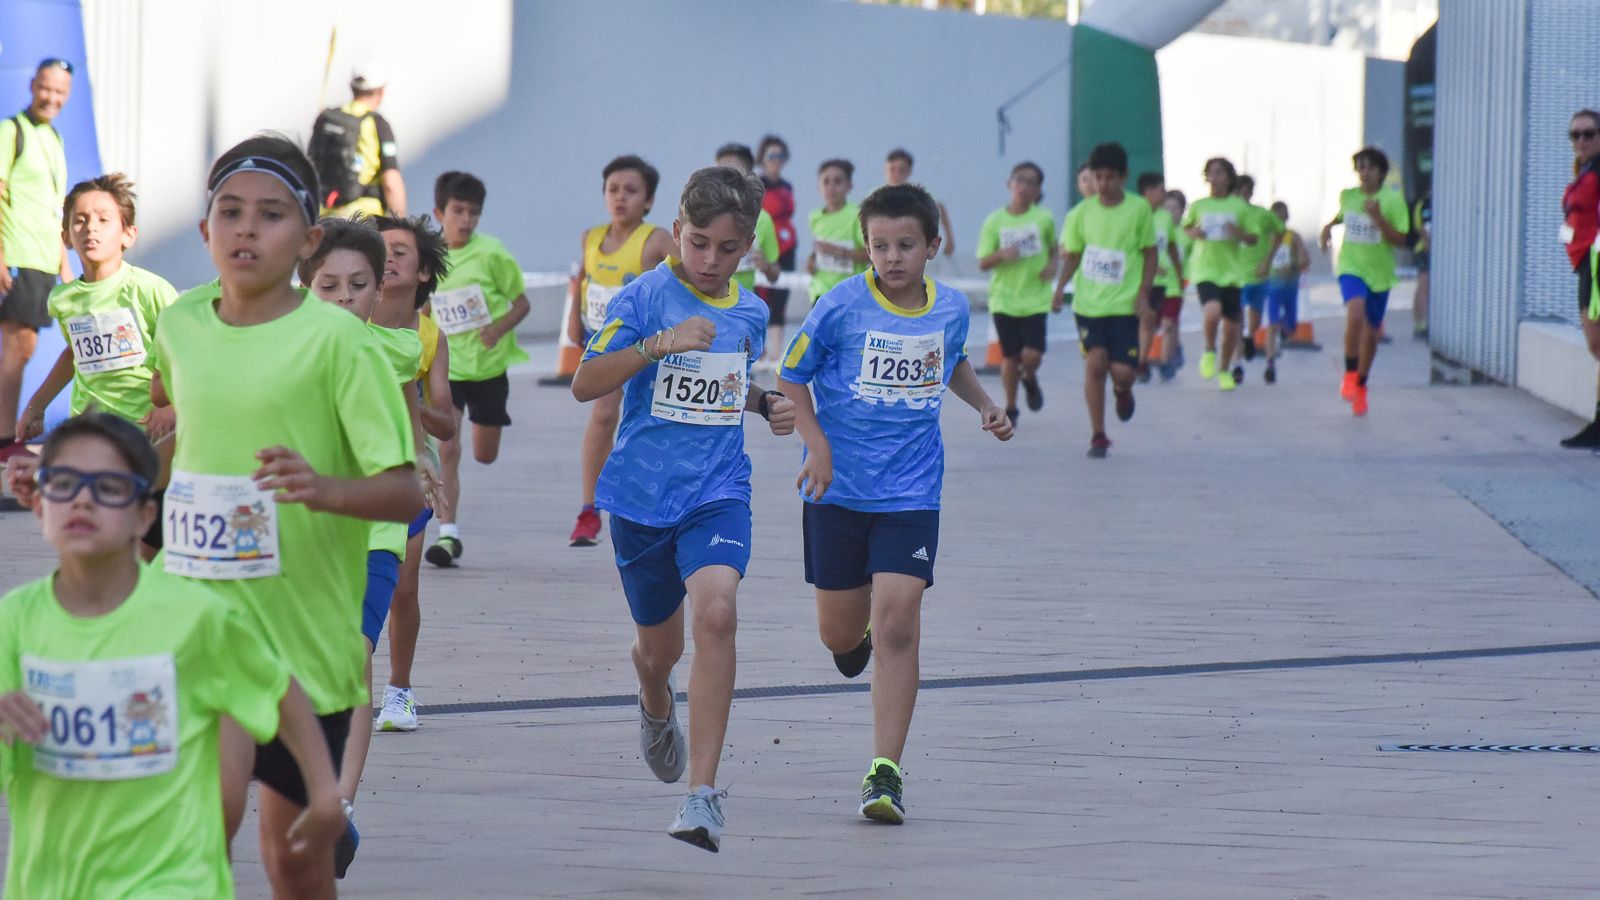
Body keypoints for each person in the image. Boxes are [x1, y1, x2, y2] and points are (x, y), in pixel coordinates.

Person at [151, 134, 420, 898]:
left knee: (295, 861)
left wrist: (322, 488)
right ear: (204, 229)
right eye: (227, 212)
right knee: (205, 817)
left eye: (269, 216)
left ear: (306, 241)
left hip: (305, 643)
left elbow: (404, 492)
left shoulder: (340, 343)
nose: (244, 229)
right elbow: (179, 431)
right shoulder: (180, 326)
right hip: (201, 626)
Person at [0, 413, 343, 899]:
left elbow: (276, 686)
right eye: (64, 483)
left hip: (173, 881)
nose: (82, 498)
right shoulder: (13, 624)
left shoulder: (195, 617)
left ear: (144, 515)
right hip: (53, 884)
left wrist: (324, 791)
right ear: (39, 504)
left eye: (109, 487)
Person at [570, 166, 796, 853]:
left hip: (717, 490)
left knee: (718, 613)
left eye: (728, 249)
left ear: (748, 246)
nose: (710, 260)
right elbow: (586, 383)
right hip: (642, 498)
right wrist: (657, 344)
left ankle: (702, 796)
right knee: (657, 650)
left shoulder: (751, 311)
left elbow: (725, 385)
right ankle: (653, 697)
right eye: (699, 243)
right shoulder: (642, 297)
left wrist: (763, 403)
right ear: (678, 229)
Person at [779, 183, 1010, 825]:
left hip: (911, 491)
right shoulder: (839, 305)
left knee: (901, 619)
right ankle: (857, 638)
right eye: (880, 245)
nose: (893, 257)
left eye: (907, 244)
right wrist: (816, 444)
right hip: (836, 491)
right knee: (839, 635)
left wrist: (985, 403)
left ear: (933, 246)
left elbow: (952, 362)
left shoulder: (952, 308)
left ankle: (885, 772)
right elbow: (791, 377)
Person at [299, 216, 424, 877]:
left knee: (353, 654)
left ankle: (340, 806)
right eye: (328, 285)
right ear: (304, 287)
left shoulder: (398, 350)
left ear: (381, 288)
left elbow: (411, 421)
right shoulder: (277, 354)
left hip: (373, 532)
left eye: (358, 284)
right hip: (298, 535)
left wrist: (417, 461)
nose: (344, 297)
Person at [15, 174, 177, 559]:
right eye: (80, 220)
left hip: (148, 437)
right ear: (66, 235)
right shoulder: (64, 299)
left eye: (104, 219)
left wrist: (169, 407)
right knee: (106, 538)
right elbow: (72, 355)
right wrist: (36, 405)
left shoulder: (151, 290)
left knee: (147, 543)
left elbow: (183, 352)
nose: (91, 228)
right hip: (95, 431)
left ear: (128, 234)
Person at [370, 214, 455, 734]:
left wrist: (410, 400)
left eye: (402, 251)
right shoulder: (343, 322)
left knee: (404, 587)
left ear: (424, 272)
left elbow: (446, 421)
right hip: (350, 468)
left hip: (410, 471)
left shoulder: (428, 338)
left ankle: (399, 691)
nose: (391, 258)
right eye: (381, 250)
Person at [425, 171, 530, 567]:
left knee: (484, 455)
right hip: (445, 369)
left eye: (473, 213)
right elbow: (422, 306)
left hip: (487, 370)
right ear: (439, 212)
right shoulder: (430, 255)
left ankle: (451, 519)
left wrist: (497, 328)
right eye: (458, 211)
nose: (465, 219)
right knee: (447, 448)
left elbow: (521, 303)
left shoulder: (493, 254)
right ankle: (448, 534)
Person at [568, 156, 674, 548]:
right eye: (613, 189)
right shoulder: (591, 237)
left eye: (631, 191)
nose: (621, 198)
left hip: (650, 348)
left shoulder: (657, 239)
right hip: (605, 342)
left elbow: (687, 279)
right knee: (603, 415)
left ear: (648, 200)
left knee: (648, 420)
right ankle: (589, 508)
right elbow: (584, 277)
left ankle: (648, 501)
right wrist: (573, 322)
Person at [1053, 142, 1156, 458]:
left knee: (1123, 372)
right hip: (1089, 305)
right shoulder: (1080, 214)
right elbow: (1072, 256)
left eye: (1110, 177)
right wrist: (1059, 289)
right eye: (1097, 177)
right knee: (1096, 363)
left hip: (1124, 306)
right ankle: (1098, 434)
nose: (1103, 184)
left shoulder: (1138, 209)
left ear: (1123, 176)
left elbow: (1150, 253)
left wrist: (1143, 293)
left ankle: (1123, 391)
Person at [0, 58, 74, 464]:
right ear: (32, 85)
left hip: (45, 260)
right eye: (46, 88)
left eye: (60, 92)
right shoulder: (12, 131)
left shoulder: (55, 139)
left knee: (24, 349)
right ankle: (3, 440)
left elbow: (53, 209)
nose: (51, 97)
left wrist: (65, 267)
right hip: (17, 255)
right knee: (18, 347)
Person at [1319, 146, 1409, 417]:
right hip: (1351, 267)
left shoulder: (1392, 200)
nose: (1364, 172)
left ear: (1381, 172)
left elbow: (1401, 240)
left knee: (1371, 334)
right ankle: (1349, 372)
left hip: (1379, 274)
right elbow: (1341, 216)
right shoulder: (1348, 196)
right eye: (1360, 167)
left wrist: (1379, 219)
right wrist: (1327, 228)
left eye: (1370, 167)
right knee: (1354, 313)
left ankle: (1361, 383)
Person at [976, 161, 1057, 425]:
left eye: (1031, 182)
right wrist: (1001, 254)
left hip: (1035, 298)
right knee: (1010, 357)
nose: (1023, 186)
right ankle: (1011, 407)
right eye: (1019, 180)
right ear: (1009, 184)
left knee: (1031, 355)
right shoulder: (995, 221)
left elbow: (1055, 248)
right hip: (1004, 299)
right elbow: (983, 262)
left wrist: (1053, 265)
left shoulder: (1044, 218)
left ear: (1037, 190)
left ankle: (1030, 377)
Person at [1180, 157, 1255, 391]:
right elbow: (1185, 227)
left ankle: (1224, 369)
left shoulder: (1239, 207)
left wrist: (1239, 233)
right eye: (1210, 173)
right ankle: (1210, 349)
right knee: (1212, 313)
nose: (1214, 177)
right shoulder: (1199, 206)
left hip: (1231, 272)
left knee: (1232, 327)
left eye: (1219, 173)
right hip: (1205, 269)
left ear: (1228, 177)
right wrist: (1194, 233)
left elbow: (1253, 238)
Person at [310, 64, 406, 218]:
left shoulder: (327, 118)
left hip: (325, 215)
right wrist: (401, 224)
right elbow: (391, 181)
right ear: (381, 91)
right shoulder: (377, 123)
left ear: (352, 88)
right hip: (364, 217)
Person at [715, 144, 782, 357]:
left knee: (739, 371)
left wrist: (766, 266)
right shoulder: (703, 217)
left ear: (748, 174)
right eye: (720, 170)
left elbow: (775, 274)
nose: (725, 178)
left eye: (732, 171)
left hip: (741, 307)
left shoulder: (762, 220)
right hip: (707, 304)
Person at [1560, 110, 1600, 447]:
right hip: (1585, 264)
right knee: (1596, 344)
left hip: (1597, 262)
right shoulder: (1583, 171)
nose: (1582, 141)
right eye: (1575, 135)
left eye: (1589, 134)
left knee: (1597, 343)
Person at [1232, 175, 1284, 380]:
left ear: (1251, 193)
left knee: (1254, 321)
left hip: (1259, 276)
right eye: (1239, 191)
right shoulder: (1227, 214)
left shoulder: (1262, 215)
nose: (1243, 196)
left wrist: (1268, 260)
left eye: (1247, 191)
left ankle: (1249, 337)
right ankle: (1237, 365)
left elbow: (1280, 232)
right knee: (1235, 320)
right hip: (1235, 277)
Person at [1136, 172, 1184, 381]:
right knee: (1146, 321)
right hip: (1141, 280)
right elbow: (1133, 248)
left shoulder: (1165, 218)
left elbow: (1171, 246)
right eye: (1160, 189)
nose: (1163, 193)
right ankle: (1142, 362)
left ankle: (1158, 361)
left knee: (1160, 323)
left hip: (1164, 282)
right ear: (1148, 191)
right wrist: (1152, 268)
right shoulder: (1136, 214)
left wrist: (1179, 271)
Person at [755, 135, 798, 347]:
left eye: (781, 156)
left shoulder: (787, 186)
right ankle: (757, 349)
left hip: (787, 246)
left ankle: (776, 353)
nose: (776, 160)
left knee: (780, 296)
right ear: (762, 157)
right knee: (761, 296)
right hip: (764, 244)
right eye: (772, 155)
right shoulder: (755, 185)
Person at [807, 159, 868, 304]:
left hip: (849, 294)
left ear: (849, 185)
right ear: (818, 187)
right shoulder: (815, 217)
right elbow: (819, 250)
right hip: (820, 292)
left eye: (838, 181)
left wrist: (840, 252)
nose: (831, 187)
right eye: (826, 182)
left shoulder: (857, 215)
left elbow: (871, 254)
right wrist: (811, 261)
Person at [1263, 201, 1311, 384]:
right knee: (1271, 326)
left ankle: (1285, 328)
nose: (1279, 221)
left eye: (1282, 217)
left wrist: (1294, 265)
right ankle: (1270, 364)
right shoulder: (1266, 238)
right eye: (1276, 217)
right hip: (1273, 287)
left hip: (1290, 286)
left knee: (1292, 327)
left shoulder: (1292, 237)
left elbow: (1305, 258)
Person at [883, 148, 955, 256]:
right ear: (886, 169)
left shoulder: (916, 194)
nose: (896, 174)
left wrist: (949, 238)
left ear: (909, 171)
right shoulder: (876, 196)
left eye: (901, 170)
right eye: (893, 169)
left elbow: (938, 207)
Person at [1410, 188, 1431, 340]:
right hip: (1425, 250)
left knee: (1423, 286)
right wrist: (1430, 250)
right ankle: (1421, 323)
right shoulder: (1427, 204)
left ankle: (1421, 322)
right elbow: (1424, 230)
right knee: (1424, 285)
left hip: (1427, 250)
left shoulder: (1427, 202)